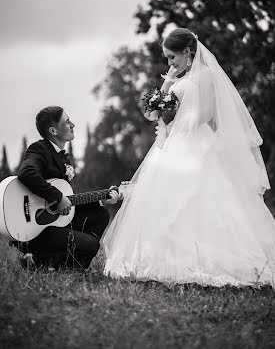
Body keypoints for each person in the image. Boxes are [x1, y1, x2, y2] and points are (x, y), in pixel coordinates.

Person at [103, 28, 275, 287]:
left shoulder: (195, 79)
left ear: (188, 52)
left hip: (189, 143)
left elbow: (179, 114)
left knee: (187, 196)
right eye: (167, 58)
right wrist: (171, 87)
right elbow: (167, 113)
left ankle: (194, 259)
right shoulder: (194, 77)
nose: (170, 63)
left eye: (173, 57)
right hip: (188, 141)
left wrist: (173, 98)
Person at [15, 105, 120, 270]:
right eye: (67, 121)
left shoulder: (64, 159)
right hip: (37, 229)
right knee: (92, 245)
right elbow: (27, 173)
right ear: (53, 131)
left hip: (56, 222)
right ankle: (37, 260)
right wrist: (56, 197)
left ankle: (73, 266)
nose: (73, 125)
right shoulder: (40, 149)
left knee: (100, 214)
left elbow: (68, 200)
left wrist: (102, 199)